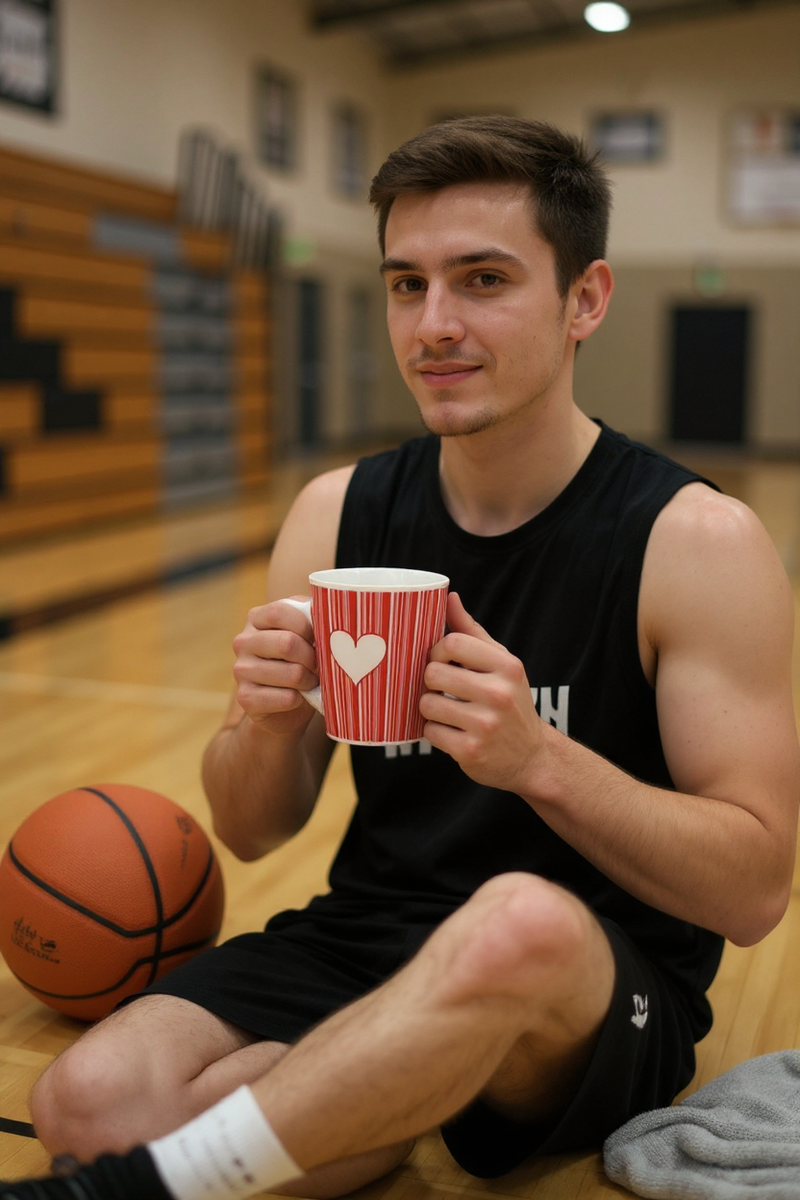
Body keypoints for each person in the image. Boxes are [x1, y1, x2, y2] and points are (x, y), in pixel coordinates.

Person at [3, 115, 798, 1200]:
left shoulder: (692, 541)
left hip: (588, 983)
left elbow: (753, 888)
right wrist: (266, 721)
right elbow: (249, 827)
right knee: (84, 1104)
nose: (433, 324)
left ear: (585, 299)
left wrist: (534, 759)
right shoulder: (336, 514)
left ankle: (143, 1186)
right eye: (403, 284)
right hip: (367, 934)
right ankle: (375, 1087)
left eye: (480, 279)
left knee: (514, 917)